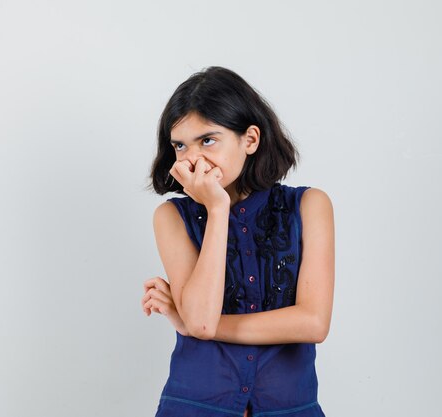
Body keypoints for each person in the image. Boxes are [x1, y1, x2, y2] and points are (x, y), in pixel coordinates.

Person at [141, 66, 335, 417]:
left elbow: (313, 323)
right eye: (180, 145)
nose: (192, 158)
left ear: (250, 139)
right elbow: (201, 322)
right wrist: (217, 209)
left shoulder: (309, 206)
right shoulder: (172, 218)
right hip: (194, 406)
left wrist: (192, 323)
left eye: (208, 140)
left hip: (290, 408)